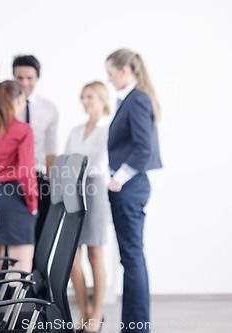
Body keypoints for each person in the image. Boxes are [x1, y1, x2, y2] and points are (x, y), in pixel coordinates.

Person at [105, 48, 162, 333]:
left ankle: (137, 328)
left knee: (132, 257)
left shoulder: (136, 99)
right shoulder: (130, 99)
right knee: (130, 257)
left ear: (125, 70)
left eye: (111, 73)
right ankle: (133, 327)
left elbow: (144, 148)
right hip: (128, 187)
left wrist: (119, 179)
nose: (109, 78)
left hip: (130, 187)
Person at [0, 80, 38, 282]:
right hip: (15, 200)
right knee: (20, 272)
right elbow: (26, 172)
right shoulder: (23, 130)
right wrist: (33, 204)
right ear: (20, 100)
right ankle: (15, 314)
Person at [65, 81, 110, 333]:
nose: (85, 101)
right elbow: (66, 159)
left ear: (102, 99)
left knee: (95, 254)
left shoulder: (108, 130)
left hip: (94, 191)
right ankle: (83, 309)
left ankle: (97, 312)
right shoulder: (76, 130)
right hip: (74, 191)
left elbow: (99, 164)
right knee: (73, 256)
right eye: (82, 97)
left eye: (90, 97)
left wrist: (77, 167)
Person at [10, 55, 59, 246]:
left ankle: (34, 276)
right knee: (13, 239)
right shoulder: (0, 106)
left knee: (40, 238)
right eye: (19, 78)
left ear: (37, 78)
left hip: (38, 179)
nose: (24, 83)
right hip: (10, 180)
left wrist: (52, 185)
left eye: (29, 78)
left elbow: (51, 151)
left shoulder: (49, 109)